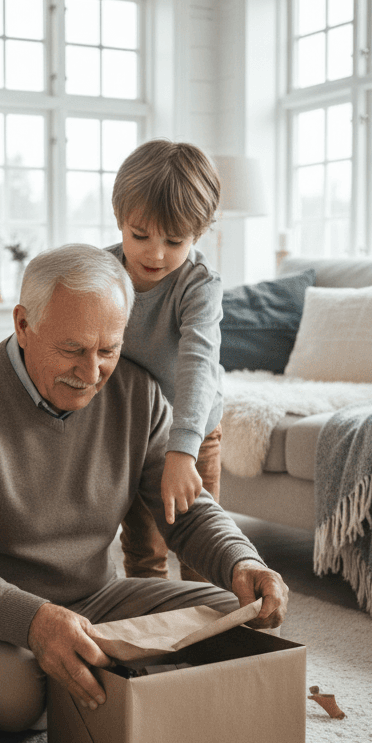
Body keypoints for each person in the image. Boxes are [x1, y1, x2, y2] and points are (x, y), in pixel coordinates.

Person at [0, 244, 288, 734]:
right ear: (23, 325)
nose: (91, 376)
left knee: (239, 621)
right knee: (12, 699)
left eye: (108, 350)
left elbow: (187, 512)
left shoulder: (139, 395)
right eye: (72, 350)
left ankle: (71, 675)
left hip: (94, 598)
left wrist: (244, 562)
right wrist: (36, 623)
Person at [107, 139, 225, 581]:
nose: (155, 254)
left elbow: (199, 362)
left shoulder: (199, 285)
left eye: (174, 241)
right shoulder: (101, 273)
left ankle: (209, 635)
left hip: (194, 432)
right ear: (119, 220)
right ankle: (149, 633)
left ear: (199, 233)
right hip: (135, 432)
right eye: (140, 236)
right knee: (141, 548)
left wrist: (183, 450)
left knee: (199, 545)